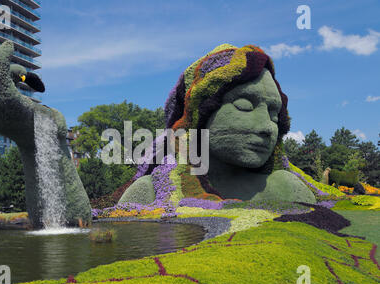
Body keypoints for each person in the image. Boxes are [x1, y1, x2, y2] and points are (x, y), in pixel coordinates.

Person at [119, 44, 316, 205]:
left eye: (274, 115)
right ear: (199, 115)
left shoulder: (287, 189)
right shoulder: (150, 193)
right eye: (244, 105)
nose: (267, 127)